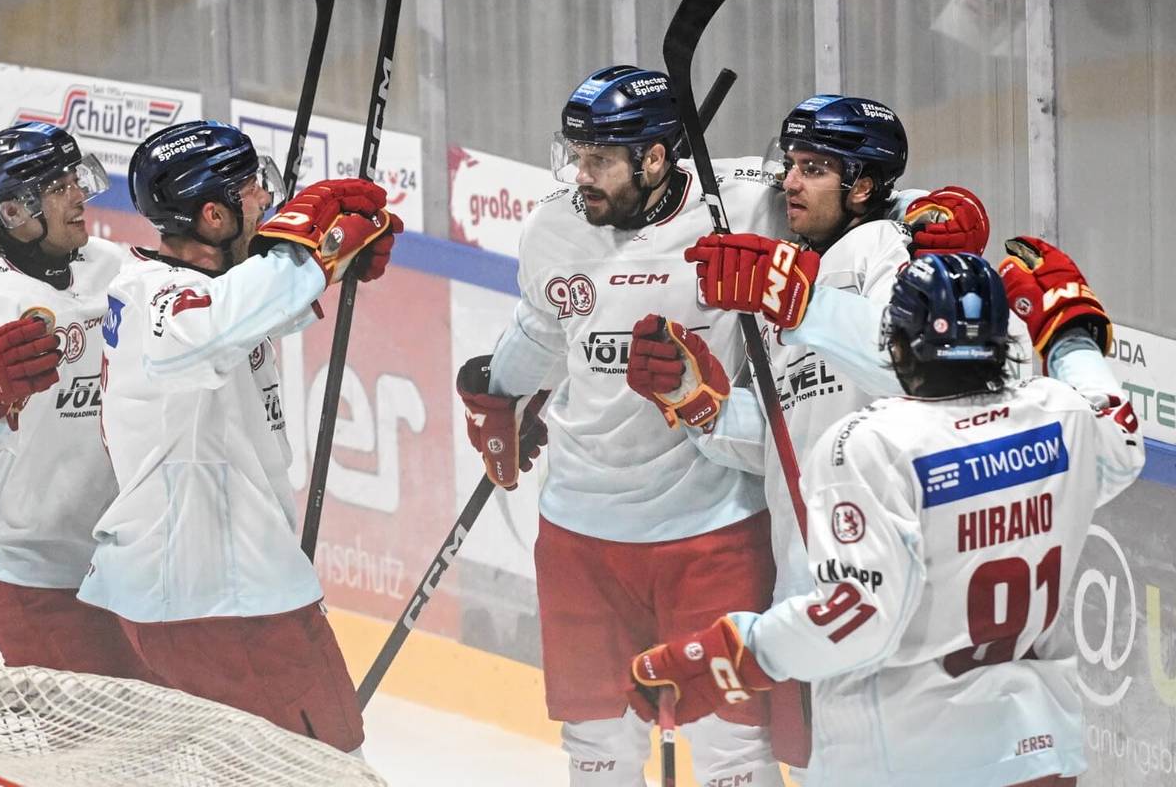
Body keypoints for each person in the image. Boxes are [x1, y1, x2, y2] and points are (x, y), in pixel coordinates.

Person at [629, 247, 1143, 787]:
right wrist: (1070, 334)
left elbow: (860, 619)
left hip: (911, 763)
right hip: (1038, 756)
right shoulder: (1061, 418)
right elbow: (1120, 432)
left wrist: (727, 654)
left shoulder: (873, 445)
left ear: (896, 345)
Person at [458, 63, 807, 787]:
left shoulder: (744, 209)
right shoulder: (556, 227)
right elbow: (544, 329)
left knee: (732, 754)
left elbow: (847, 217)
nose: (579, 176)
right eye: (574, 156)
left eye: (598, 161)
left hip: (714, 529)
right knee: (596, 750)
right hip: (581, 534)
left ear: (655, 158)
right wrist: (499, 396)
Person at [626, 94, 993, 773]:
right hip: (811, 597)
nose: (791, 181)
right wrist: (698, 400)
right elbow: (784, 439)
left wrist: (801, 297)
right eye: (791, 163)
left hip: (899, 600)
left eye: (816, 168)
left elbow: (911, 370)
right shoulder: (786, 276)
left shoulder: (890, 252)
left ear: (863, 187)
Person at [76, 120, 401, 752]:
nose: (266, 200)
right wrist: (309, 254)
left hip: (190, 596)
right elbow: (217, 326)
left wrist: (325, 264)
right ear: (212, 216)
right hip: (225, 600)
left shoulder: (190, 289)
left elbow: (247, 314)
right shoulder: (160, 302)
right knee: (334, 769)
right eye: (251, 188)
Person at [0, 122, 153, 681]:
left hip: (106, 560)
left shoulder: (107, 263)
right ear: (16, 212)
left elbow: (192, 303)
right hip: (24, 571)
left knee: (171, 718)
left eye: (76, 178)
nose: (80, 196)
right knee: (107, 737)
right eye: (59, 186)